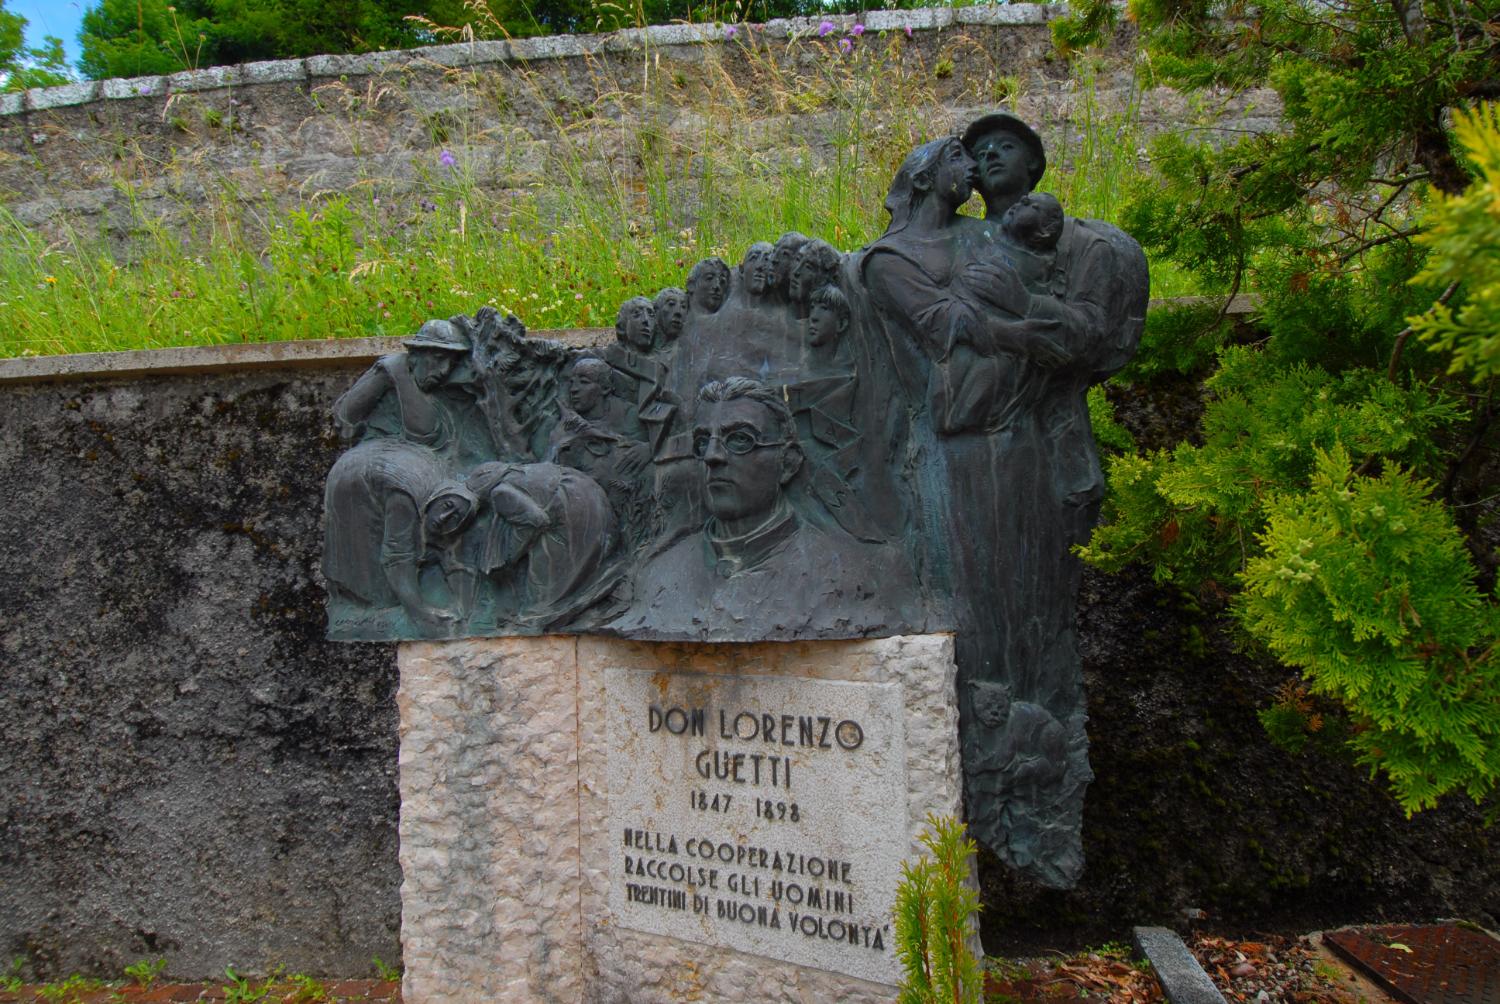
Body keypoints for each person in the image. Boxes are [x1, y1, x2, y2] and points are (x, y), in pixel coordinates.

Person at [611, 378, 918, 639]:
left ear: (788, 463)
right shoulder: (658, 574)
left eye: (740, 440)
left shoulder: (851, 577)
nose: (713, 456)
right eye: (703, 442)